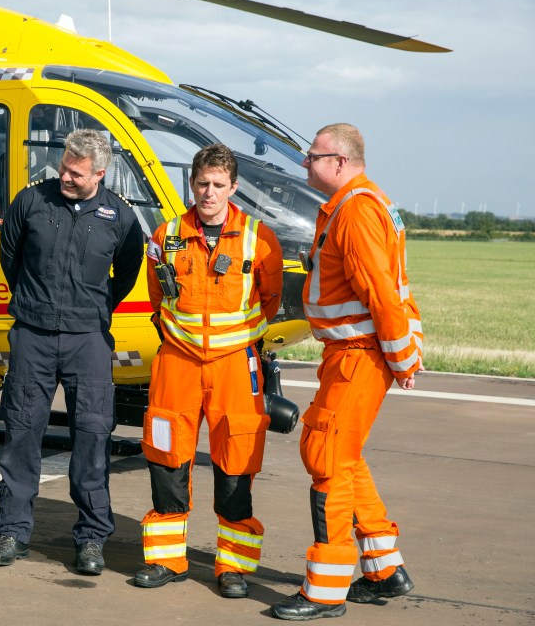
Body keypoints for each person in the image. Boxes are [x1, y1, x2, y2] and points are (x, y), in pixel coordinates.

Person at [271, 123, 422, 620]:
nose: (304, 165)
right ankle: (384, 570)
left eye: (311, 157)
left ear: (339, 161)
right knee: (346, 456)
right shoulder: (362, 202)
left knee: (327, 457)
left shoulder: (355, 211)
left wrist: (401, 359)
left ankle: (326, 590)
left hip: (360, 353)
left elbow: (381, 291)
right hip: (350, 354)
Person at [0, 128, 144, 575]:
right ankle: (12, 531)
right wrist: (35, 302)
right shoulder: (32, 202)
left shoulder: (121, 217)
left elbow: (127, 271)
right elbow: (10, 258)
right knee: (21, 433)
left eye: (75, 173)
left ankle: (92, 538)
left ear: (99, 172)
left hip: (88, 339)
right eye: (63, 168)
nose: (65, 177)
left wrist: (93, 308)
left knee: (93, 438)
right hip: (33, 334)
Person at [134, 144, 283, 597]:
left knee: (236, 462)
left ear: (233, 187)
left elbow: (270, 299)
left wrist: (235, 343)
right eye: (202, 184)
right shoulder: (166, 235)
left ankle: (233, 568)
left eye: (219, 185)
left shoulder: (260, 239)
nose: (209, 193)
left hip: (236, 364)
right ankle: (166, 560)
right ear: (192, 183)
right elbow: (159, 298)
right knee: (166, 456)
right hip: (177, 362)